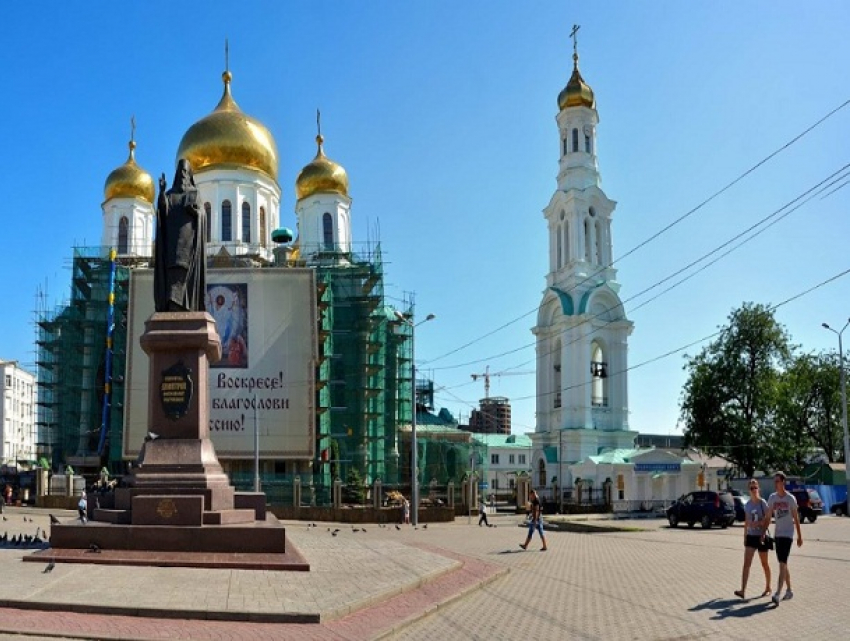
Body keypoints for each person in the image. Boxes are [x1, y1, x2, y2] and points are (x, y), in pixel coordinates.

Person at [154, 159, 207, 313]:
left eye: (185, 172)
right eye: (180, 172)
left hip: (188, 245)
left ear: (189, 175)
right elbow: (163, 213)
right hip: (172, 245)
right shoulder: (170, 195)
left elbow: (202, 215)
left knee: (184, 275)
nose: (182, 175)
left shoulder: (194, 194)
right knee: (171, 275)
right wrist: (162, 193)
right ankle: (172, 308)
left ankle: (184, 307)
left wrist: (196, 212)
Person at [762, 471, 803, 606]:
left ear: (783, 482)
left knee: (782, 564)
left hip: (788, 535)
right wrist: (763, 532)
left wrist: (799, 536)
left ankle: (778, 593)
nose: (775, 484)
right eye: (774, 481)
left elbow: (796, 518)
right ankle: (789, 590)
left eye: (777, 481)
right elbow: (768, 516)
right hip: (777, 534)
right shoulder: (772, 498)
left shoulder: (790, 499)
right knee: (783, 563)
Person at [734, 479, 771, 599]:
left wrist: (761, 525)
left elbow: (768, 518)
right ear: (749, 490)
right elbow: (746, 521)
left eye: (755, 488)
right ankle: (743, 590)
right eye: (751, 488)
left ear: (758, 488)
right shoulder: (748, 504)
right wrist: (744, 536)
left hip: (761, 536)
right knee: (746, 564)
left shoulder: (763, 502)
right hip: (750, 536)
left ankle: (768, 586)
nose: (754, 490)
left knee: (764, 563)